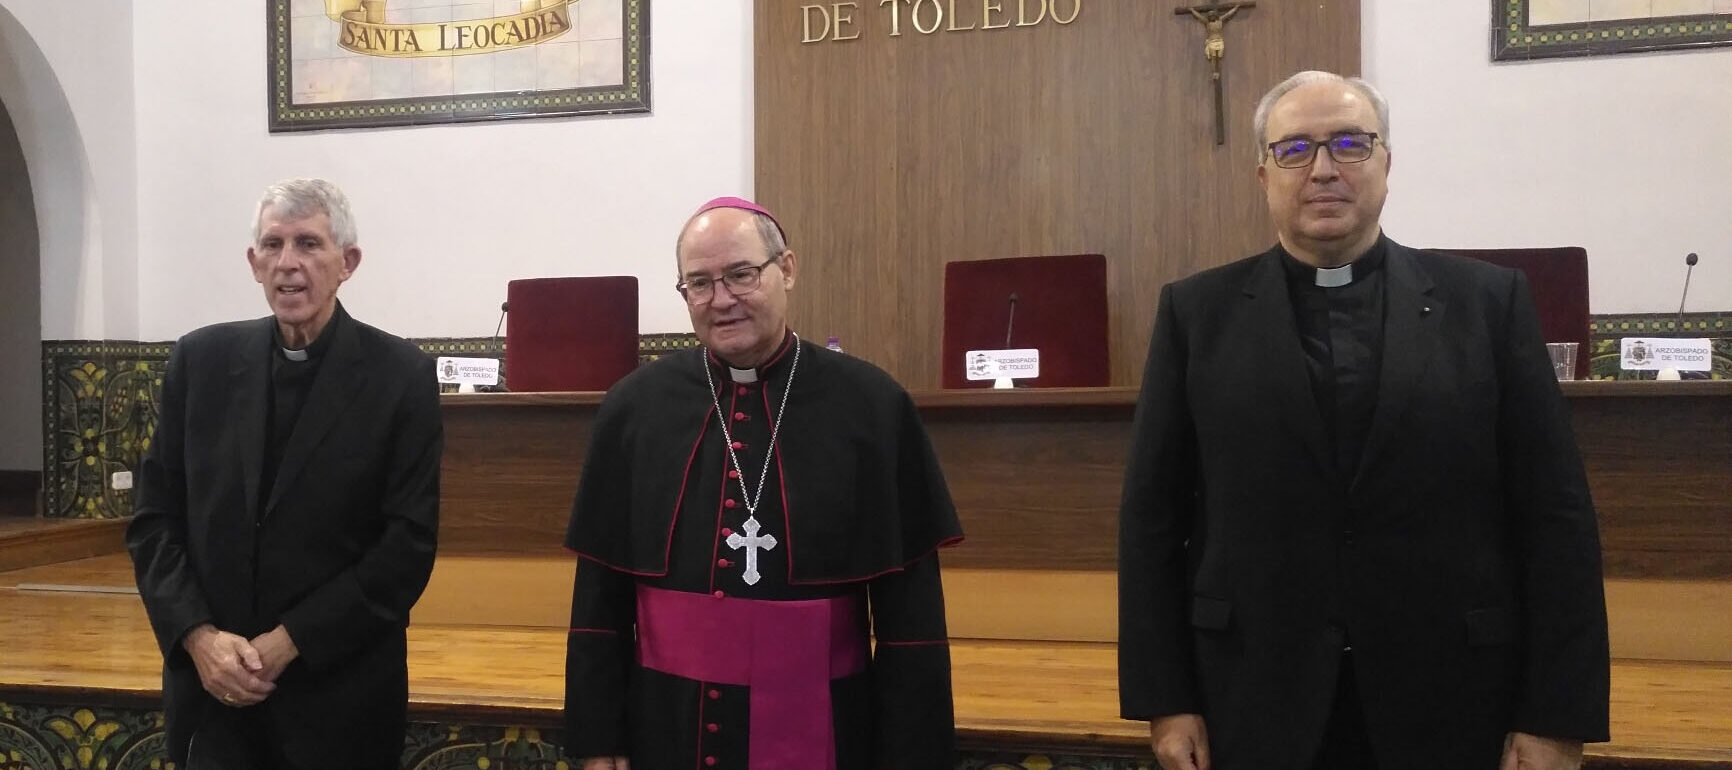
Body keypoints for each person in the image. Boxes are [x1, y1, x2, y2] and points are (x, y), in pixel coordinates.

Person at [1116, 71, 1610, 770]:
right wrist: (1165, 699)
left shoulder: (1488, 306)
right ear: (1263, 174)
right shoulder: (1197, 317)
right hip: (1253, 701)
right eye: (1295, 150)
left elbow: (1556, 518)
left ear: (1386, 163)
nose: (1323, 169)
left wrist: (1558, 714)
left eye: (1349, 144)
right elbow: (1152, 523)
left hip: (1453, 700)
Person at [563, 196, 963, 770]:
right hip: (666, 727)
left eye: (741, 274)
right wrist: (598, 741)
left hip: (826, 726)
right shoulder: (634, 407)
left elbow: (912, 623)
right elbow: (599, 601)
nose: (721, 299)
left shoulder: (872, 405)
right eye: (698, 283)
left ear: (788, 269)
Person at [128, 178, 442, 770]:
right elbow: (154, 522)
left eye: (308, 244)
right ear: (253, 263)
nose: (288, 264)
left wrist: (290, 640)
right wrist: (199, 637)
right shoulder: (199, 364)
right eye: (272, 245)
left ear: (347, 262)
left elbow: (407, 546)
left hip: (338, 696)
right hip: (215, 693)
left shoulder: (399, 377)